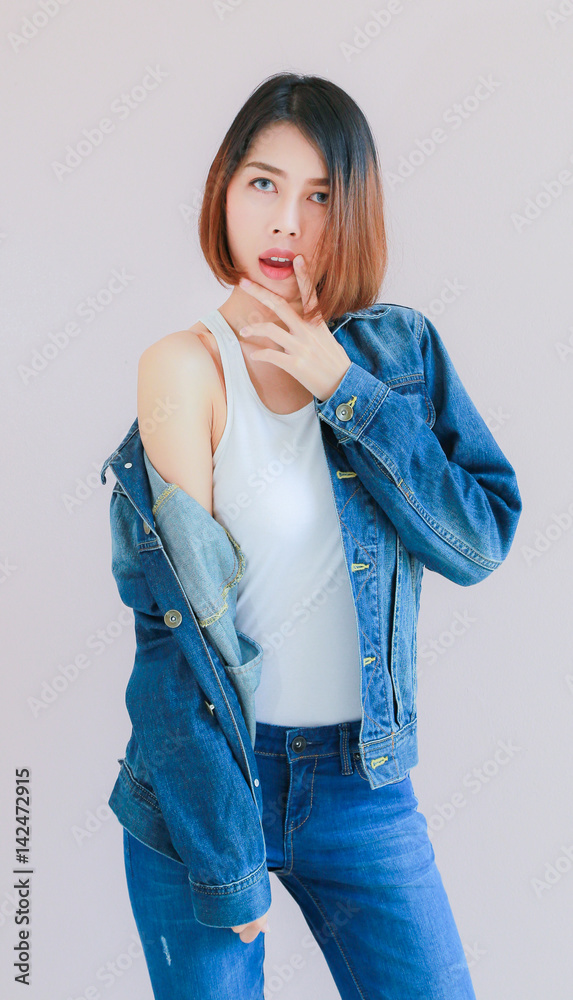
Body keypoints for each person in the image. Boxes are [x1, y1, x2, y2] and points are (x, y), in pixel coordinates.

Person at [117, 72, 521, 998]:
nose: (286, 222)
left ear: (353, 211)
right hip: (211, 782)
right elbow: (180, 638)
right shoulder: (184, 367)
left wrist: (344, 386)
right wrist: (226, 852)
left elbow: (476, 542)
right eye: (263, 184)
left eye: (319, 195)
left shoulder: (400, 355)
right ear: (223, 188)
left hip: (362, 783)